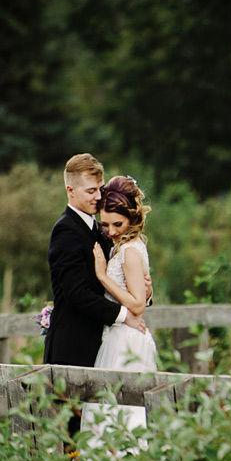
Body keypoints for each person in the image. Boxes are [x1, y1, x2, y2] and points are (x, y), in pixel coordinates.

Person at [43, 154, 148, 436]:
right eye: (91, 191)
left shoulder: (101, 228)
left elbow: (121, 279)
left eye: (100, 189)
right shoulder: (65, 231)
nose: (98, 197)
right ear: (70, 190)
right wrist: (126, 316)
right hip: (73, 349)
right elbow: (76, 294)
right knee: (74, 436)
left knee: (106, 427)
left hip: (103, 347)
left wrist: (144, 292)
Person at [80, 175, 159, 440]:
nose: (111, 231)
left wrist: (102, 276)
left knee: (120, 414)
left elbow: (137, 304)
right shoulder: (122, 246)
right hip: (118, 334)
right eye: (106, 224)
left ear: (132, 219)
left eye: (118, 224)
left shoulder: (129, 251)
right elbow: (140, 294)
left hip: (126, 342)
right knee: (111, 414)